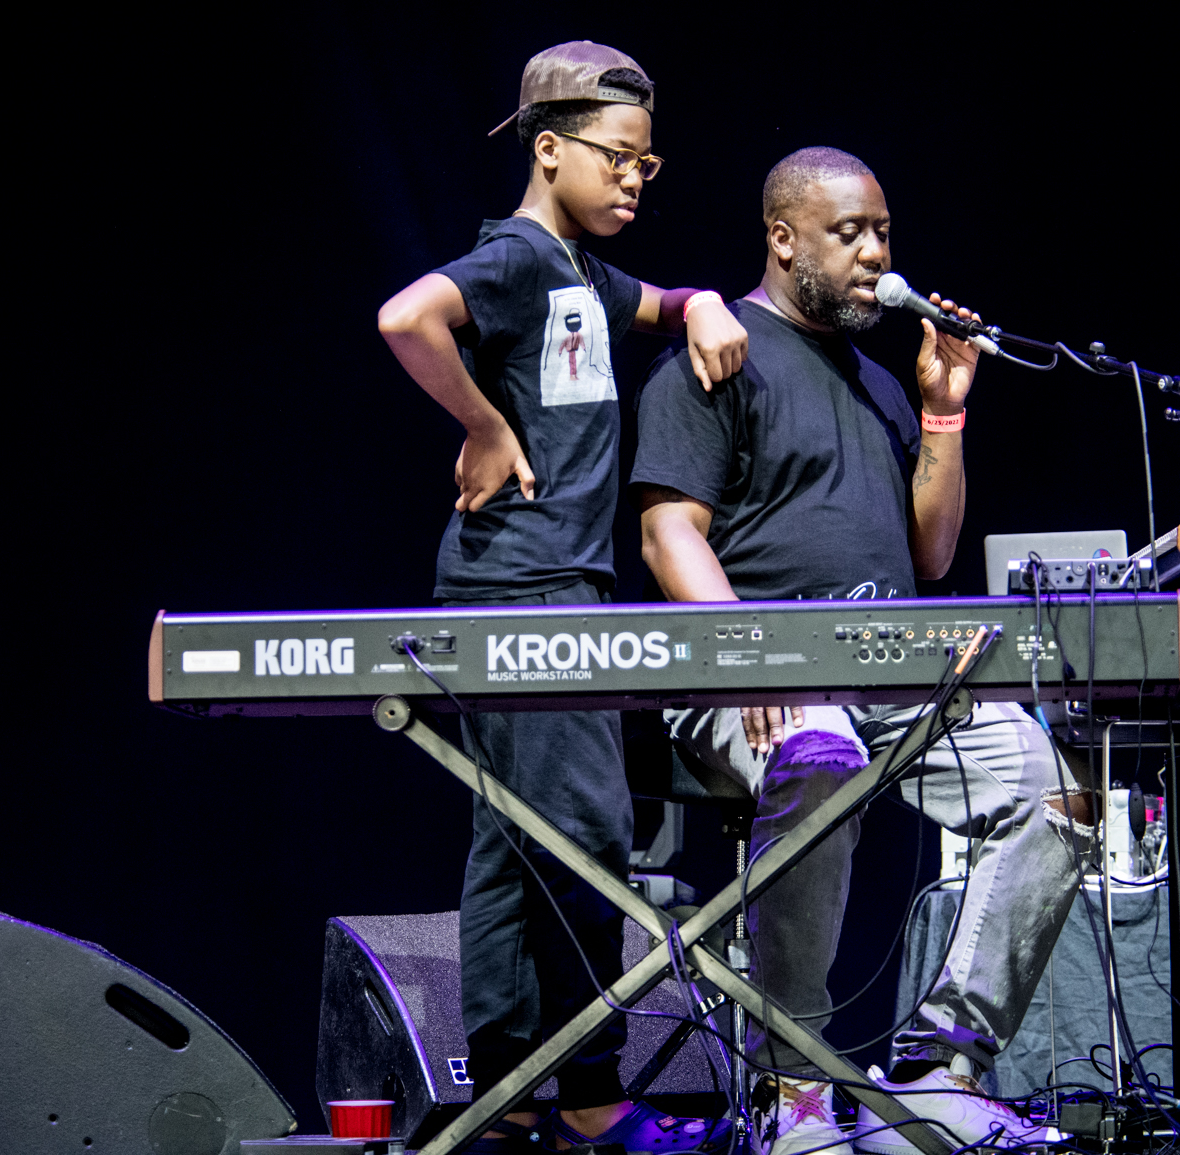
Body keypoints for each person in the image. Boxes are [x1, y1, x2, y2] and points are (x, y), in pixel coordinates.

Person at [630, 147, 1095, 1155]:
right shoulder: (717, 359)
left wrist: (943, 412)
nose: (875, 254)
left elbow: (928, 552)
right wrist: (754, 655)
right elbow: (669, 531)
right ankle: (791, 1093)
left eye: (882, 233)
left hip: (890, 678)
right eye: (849, 234)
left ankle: (939, 1070)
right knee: (820, 748)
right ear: (783, 237)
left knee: (1055, 795)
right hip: (752, 679)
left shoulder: (880, 382)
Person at [377, 42, 748, 1155]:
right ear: (550, 150)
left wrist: (702, 304)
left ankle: (510, 1092)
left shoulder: (581, 277)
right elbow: (406, 318)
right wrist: (482, 424)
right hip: (524, 584)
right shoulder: (516, 262)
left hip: (548, 583)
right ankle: (588, 1093)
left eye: (648, 162)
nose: (636, 178)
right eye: (617, 157)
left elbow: (662, 301)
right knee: (584, 833)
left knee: (511, 843)